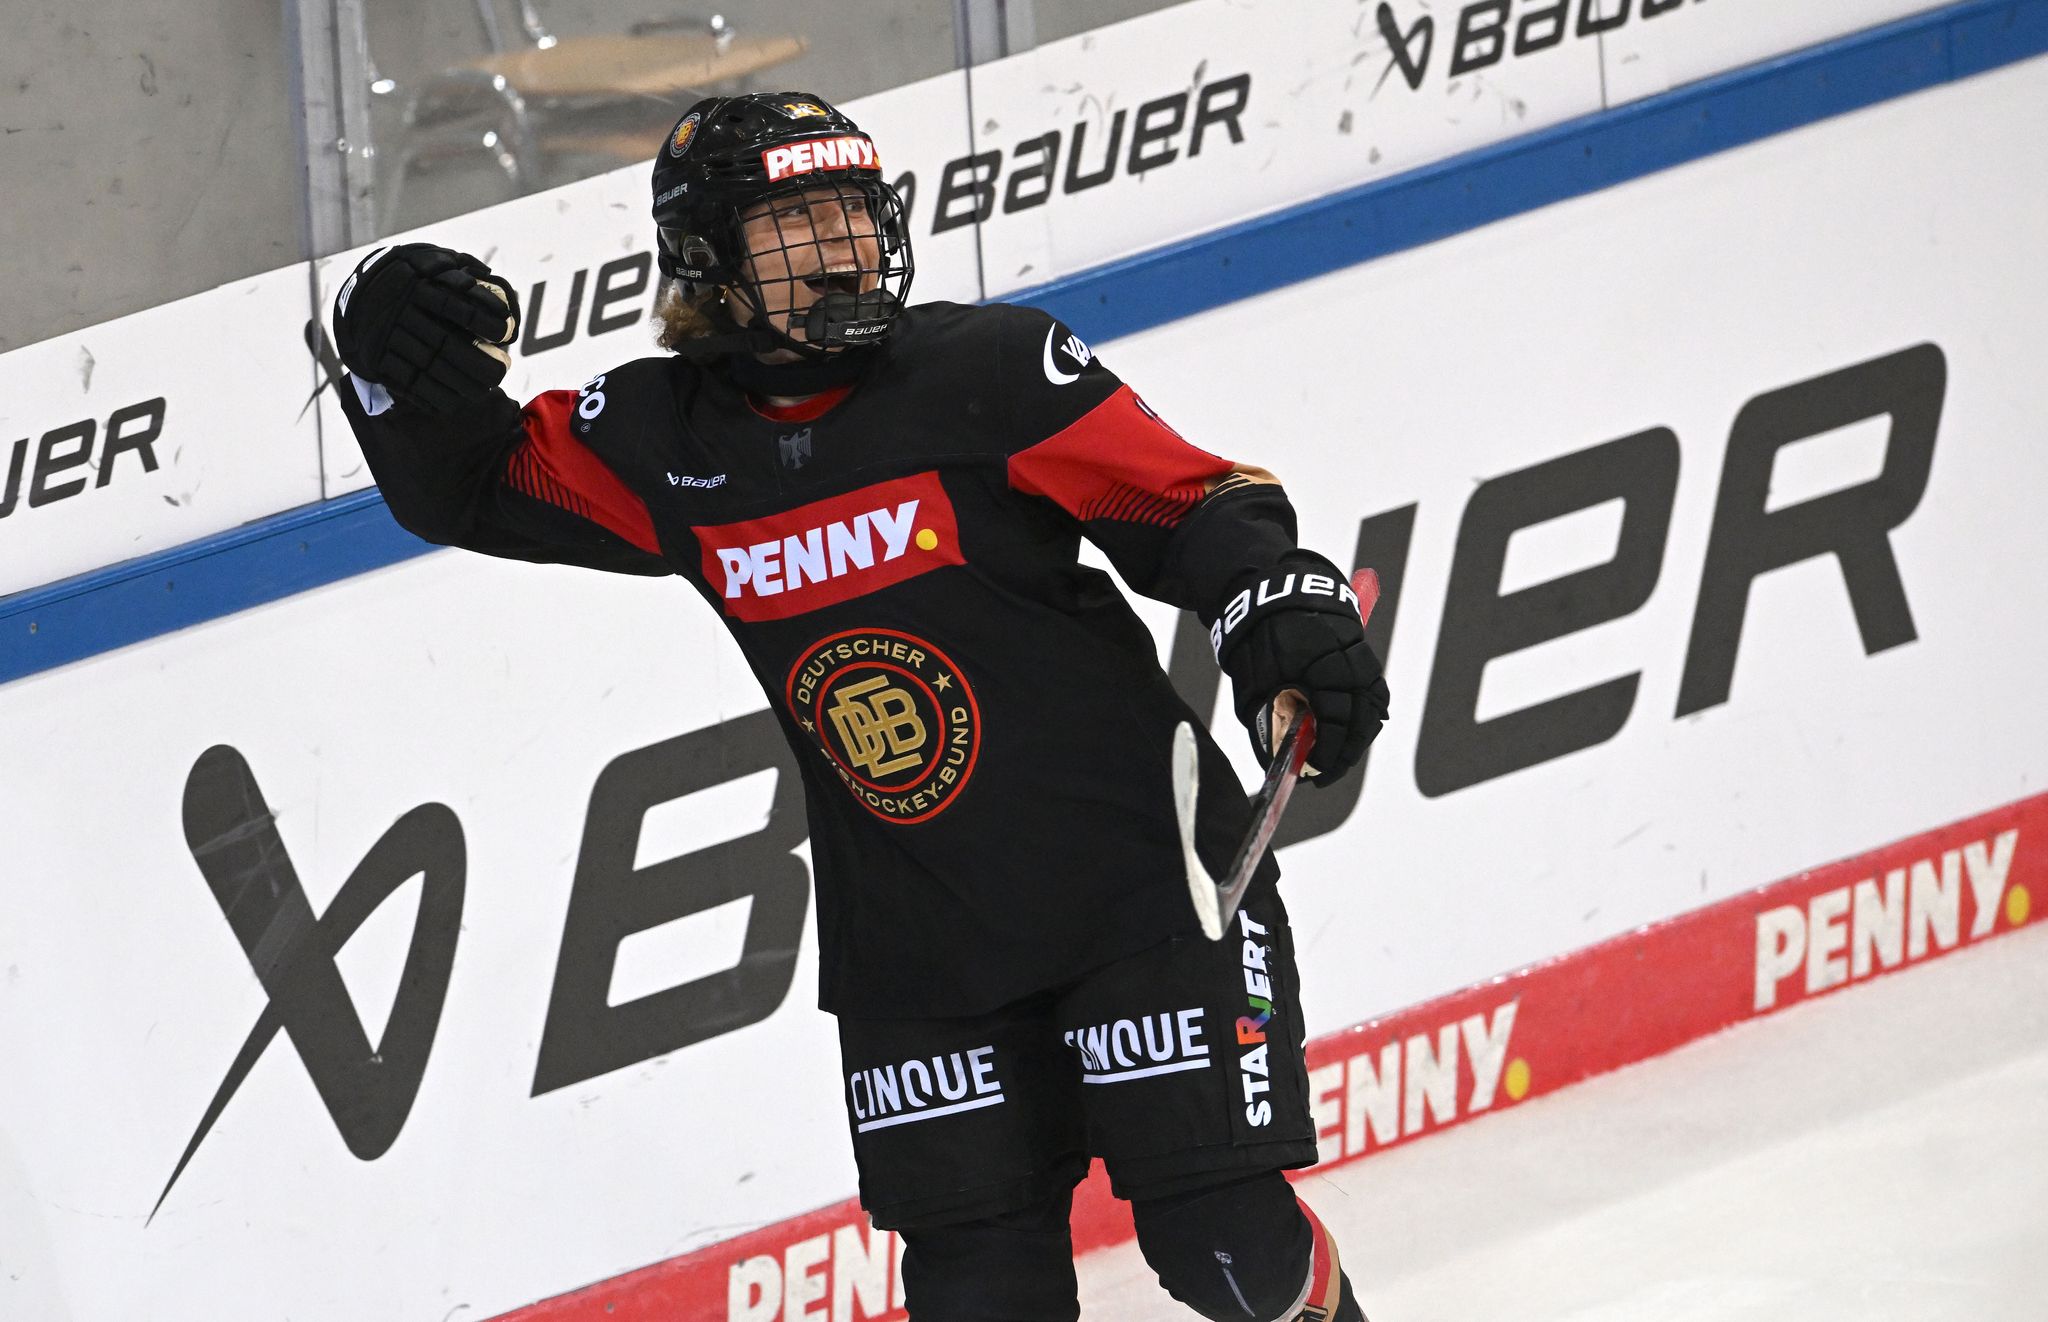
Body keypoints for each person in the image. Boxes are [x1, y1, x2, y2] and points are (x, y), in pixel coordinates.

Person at [330, 91, 1388, 1322]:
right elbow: (470, 487)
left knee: (1225, 1247)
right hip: (916, 941)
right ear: (706, 260)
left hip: (1143, 887)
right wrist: (380, 352)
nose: (838, 246)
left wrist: (1277, 606)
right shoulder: (662, 443)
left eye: (849, 212)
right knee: (977, 1293)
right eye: (793, 222)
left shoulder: (987, 372)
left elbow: (1198, 507)